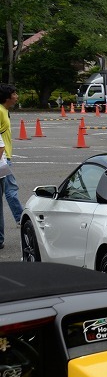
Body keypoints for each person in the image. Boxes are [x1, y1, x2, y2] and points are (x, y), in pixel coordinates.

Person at [0, 84, 22, 251]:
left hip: (5, 157)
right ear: (7, 97)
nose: (17, 96)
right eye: (14, 94)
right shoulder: (0, 110)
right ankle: (21, 219)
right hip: (2, 158)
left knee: (8, 191)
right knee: (11, 190)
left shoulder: (4, 110)